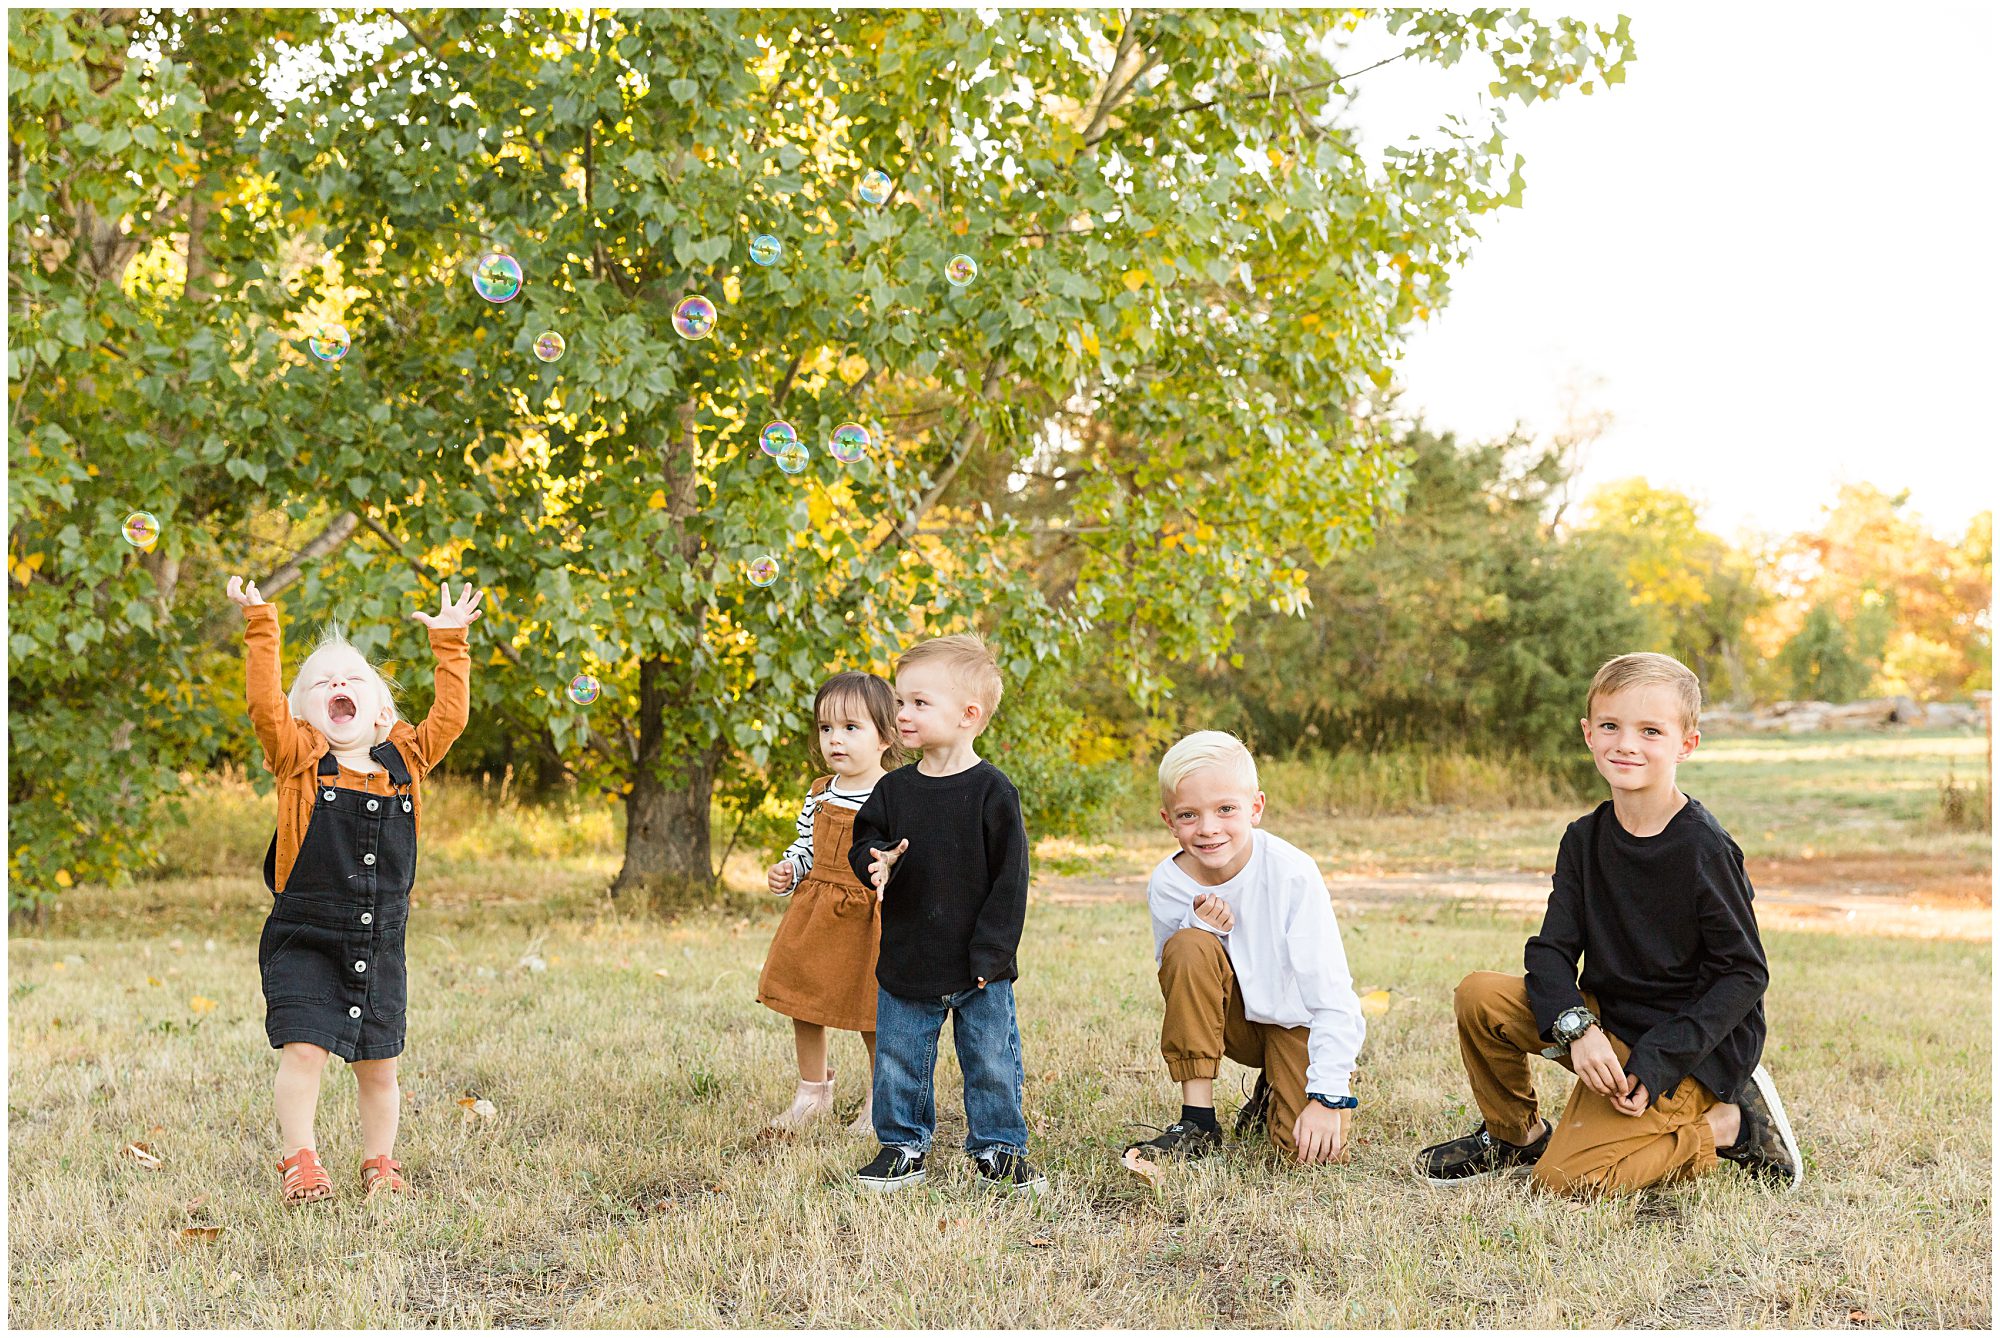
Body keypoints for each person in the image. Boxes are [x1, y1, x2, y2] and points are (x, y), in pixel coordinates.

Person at [1418, 651, 1804, 1194]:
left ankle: (1729, 1126)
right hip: (1608, 1022)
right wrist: (1577, 1028)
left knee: (1568, 1182)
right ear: (1588, 734)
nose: (1626, 743)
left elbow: (1742, 974)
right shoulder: (1585, 838)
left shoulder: (1702, 849)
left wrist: (1654, 1063)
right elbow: (1549, 951)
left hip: (1685, 1048)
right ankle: (1516, 1136)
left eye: (1650, 730)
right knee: (1480, 996)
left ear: (1685, 744)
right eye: (1610, 726)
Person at [226, 573, 481, 1204]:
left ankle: (380, 1163)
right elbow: (261, 703)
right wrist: (262, 626)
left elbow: (451, 715)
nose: (338, 685)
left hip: (382, 937)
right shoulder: (299, 760)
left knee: (380, 1066)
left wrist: (450, 643)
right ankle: (301, 1160)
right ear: (299, 714)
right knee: (304, 1052)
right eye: (321, 682)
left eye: (353, 679)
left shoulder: (407, 759)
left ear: (383, 711)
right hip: (307, 934)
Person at [845, 634, 1044, 1194]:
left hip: (978, 962)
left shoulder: (991, 791)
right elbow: (867, 844)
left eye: (918, 703)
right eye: (900, 702)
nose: (902, 714)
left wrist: (993, 953)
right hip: (909, 952)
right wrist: (875, 863)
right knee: (900, 1060)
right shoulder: (892, 789)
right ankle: (903, 1147)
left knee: (989, 1061)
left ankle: (998, 1150)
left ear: (968, 715)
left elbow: (1011, 881)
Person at [1122, 731, 1365, 1175]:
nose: (1209, 828)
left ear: (1255, 807)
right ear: (1168, 821)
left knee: (1307, 1157)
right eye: (1189, 815)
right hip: (1231, 1019)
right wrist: (1199, 927)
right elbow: (1175, 977)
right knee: (1189, 945)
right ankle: (1198, 1123)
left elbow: (1332, 996)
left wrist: (1328, 1095)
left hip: (1295, 1022)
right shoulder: (1169, 882)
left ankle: (1274, 1088)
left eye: (1225, 809)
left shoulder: (1292, 873)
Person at [755, 671, 905, 1134]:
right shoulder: (820, 792)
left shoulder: (897, 794)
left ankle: (881, 1099)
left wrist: (891, 870)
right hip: (818, 909)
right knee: (804, 998)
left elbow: (906, 855)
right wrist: (789, 870)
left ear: (885, 736)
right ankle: (812, 1092)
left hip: (871, 916)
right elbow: (806, 847)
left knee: (871, 1010)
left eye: (850, 728)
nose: (835, 739)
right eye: (826, 728)